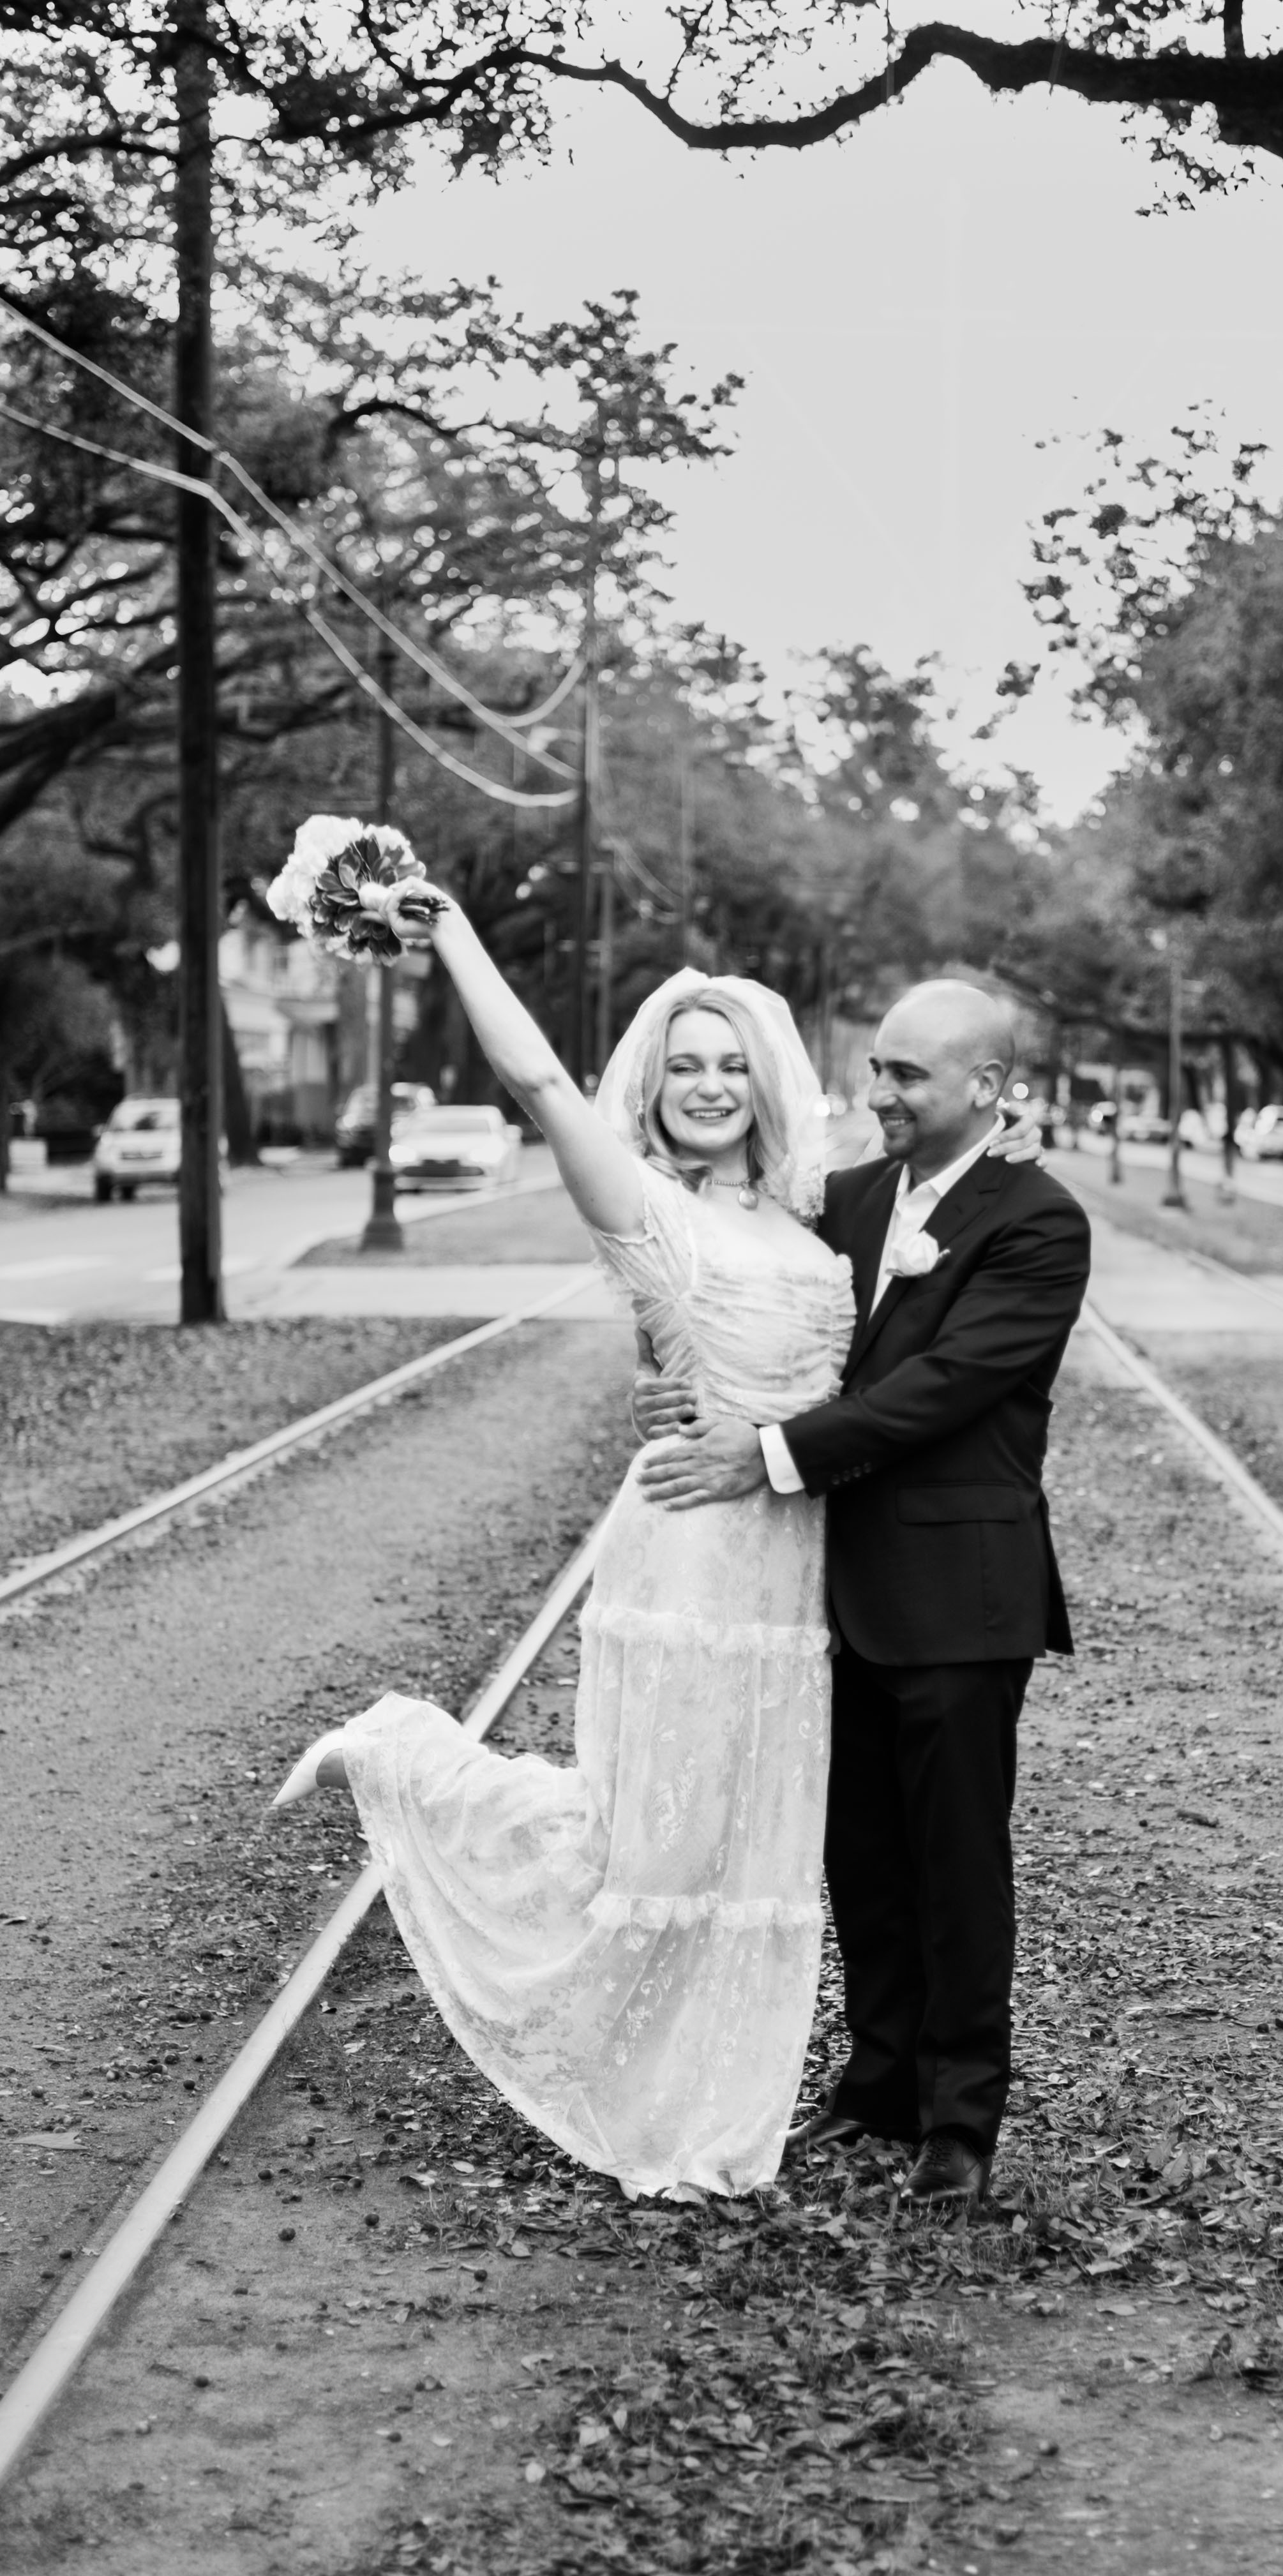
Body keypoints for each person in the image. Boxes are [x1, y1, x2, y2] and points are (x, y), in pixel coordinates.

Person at [271, 895, 862, 2199]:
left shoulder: (814, 1222)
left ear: (767, 1085)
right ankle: (406, 1752)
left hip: (797, 1563)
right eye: (683, 1068)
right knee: (645, 1848)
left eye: (729, 1066)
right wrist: (454, 927)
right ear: (649, 1094)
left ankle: (718, 2124)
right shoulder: (643, 1207)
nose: (708, 1087)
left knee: (752, 1850)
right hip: (689, 1561)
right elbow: (535, 1075)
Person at [634, 980, 1092, 2209]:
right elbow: (761, 1316)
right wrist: (681, 1392)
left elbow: (937, 1389)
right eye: (876, 1069)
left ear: (988, 1091)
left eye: (906, 1077)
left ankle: (960, 2117)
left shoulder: (1040, 1222)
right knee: (862, 1856)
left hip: (959, 1592)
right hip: (826, 1587)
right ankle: (878, 2078)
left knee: (954, 1859)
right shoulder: (846, 1199)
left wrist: (765, 1451)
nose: (876, 1092)